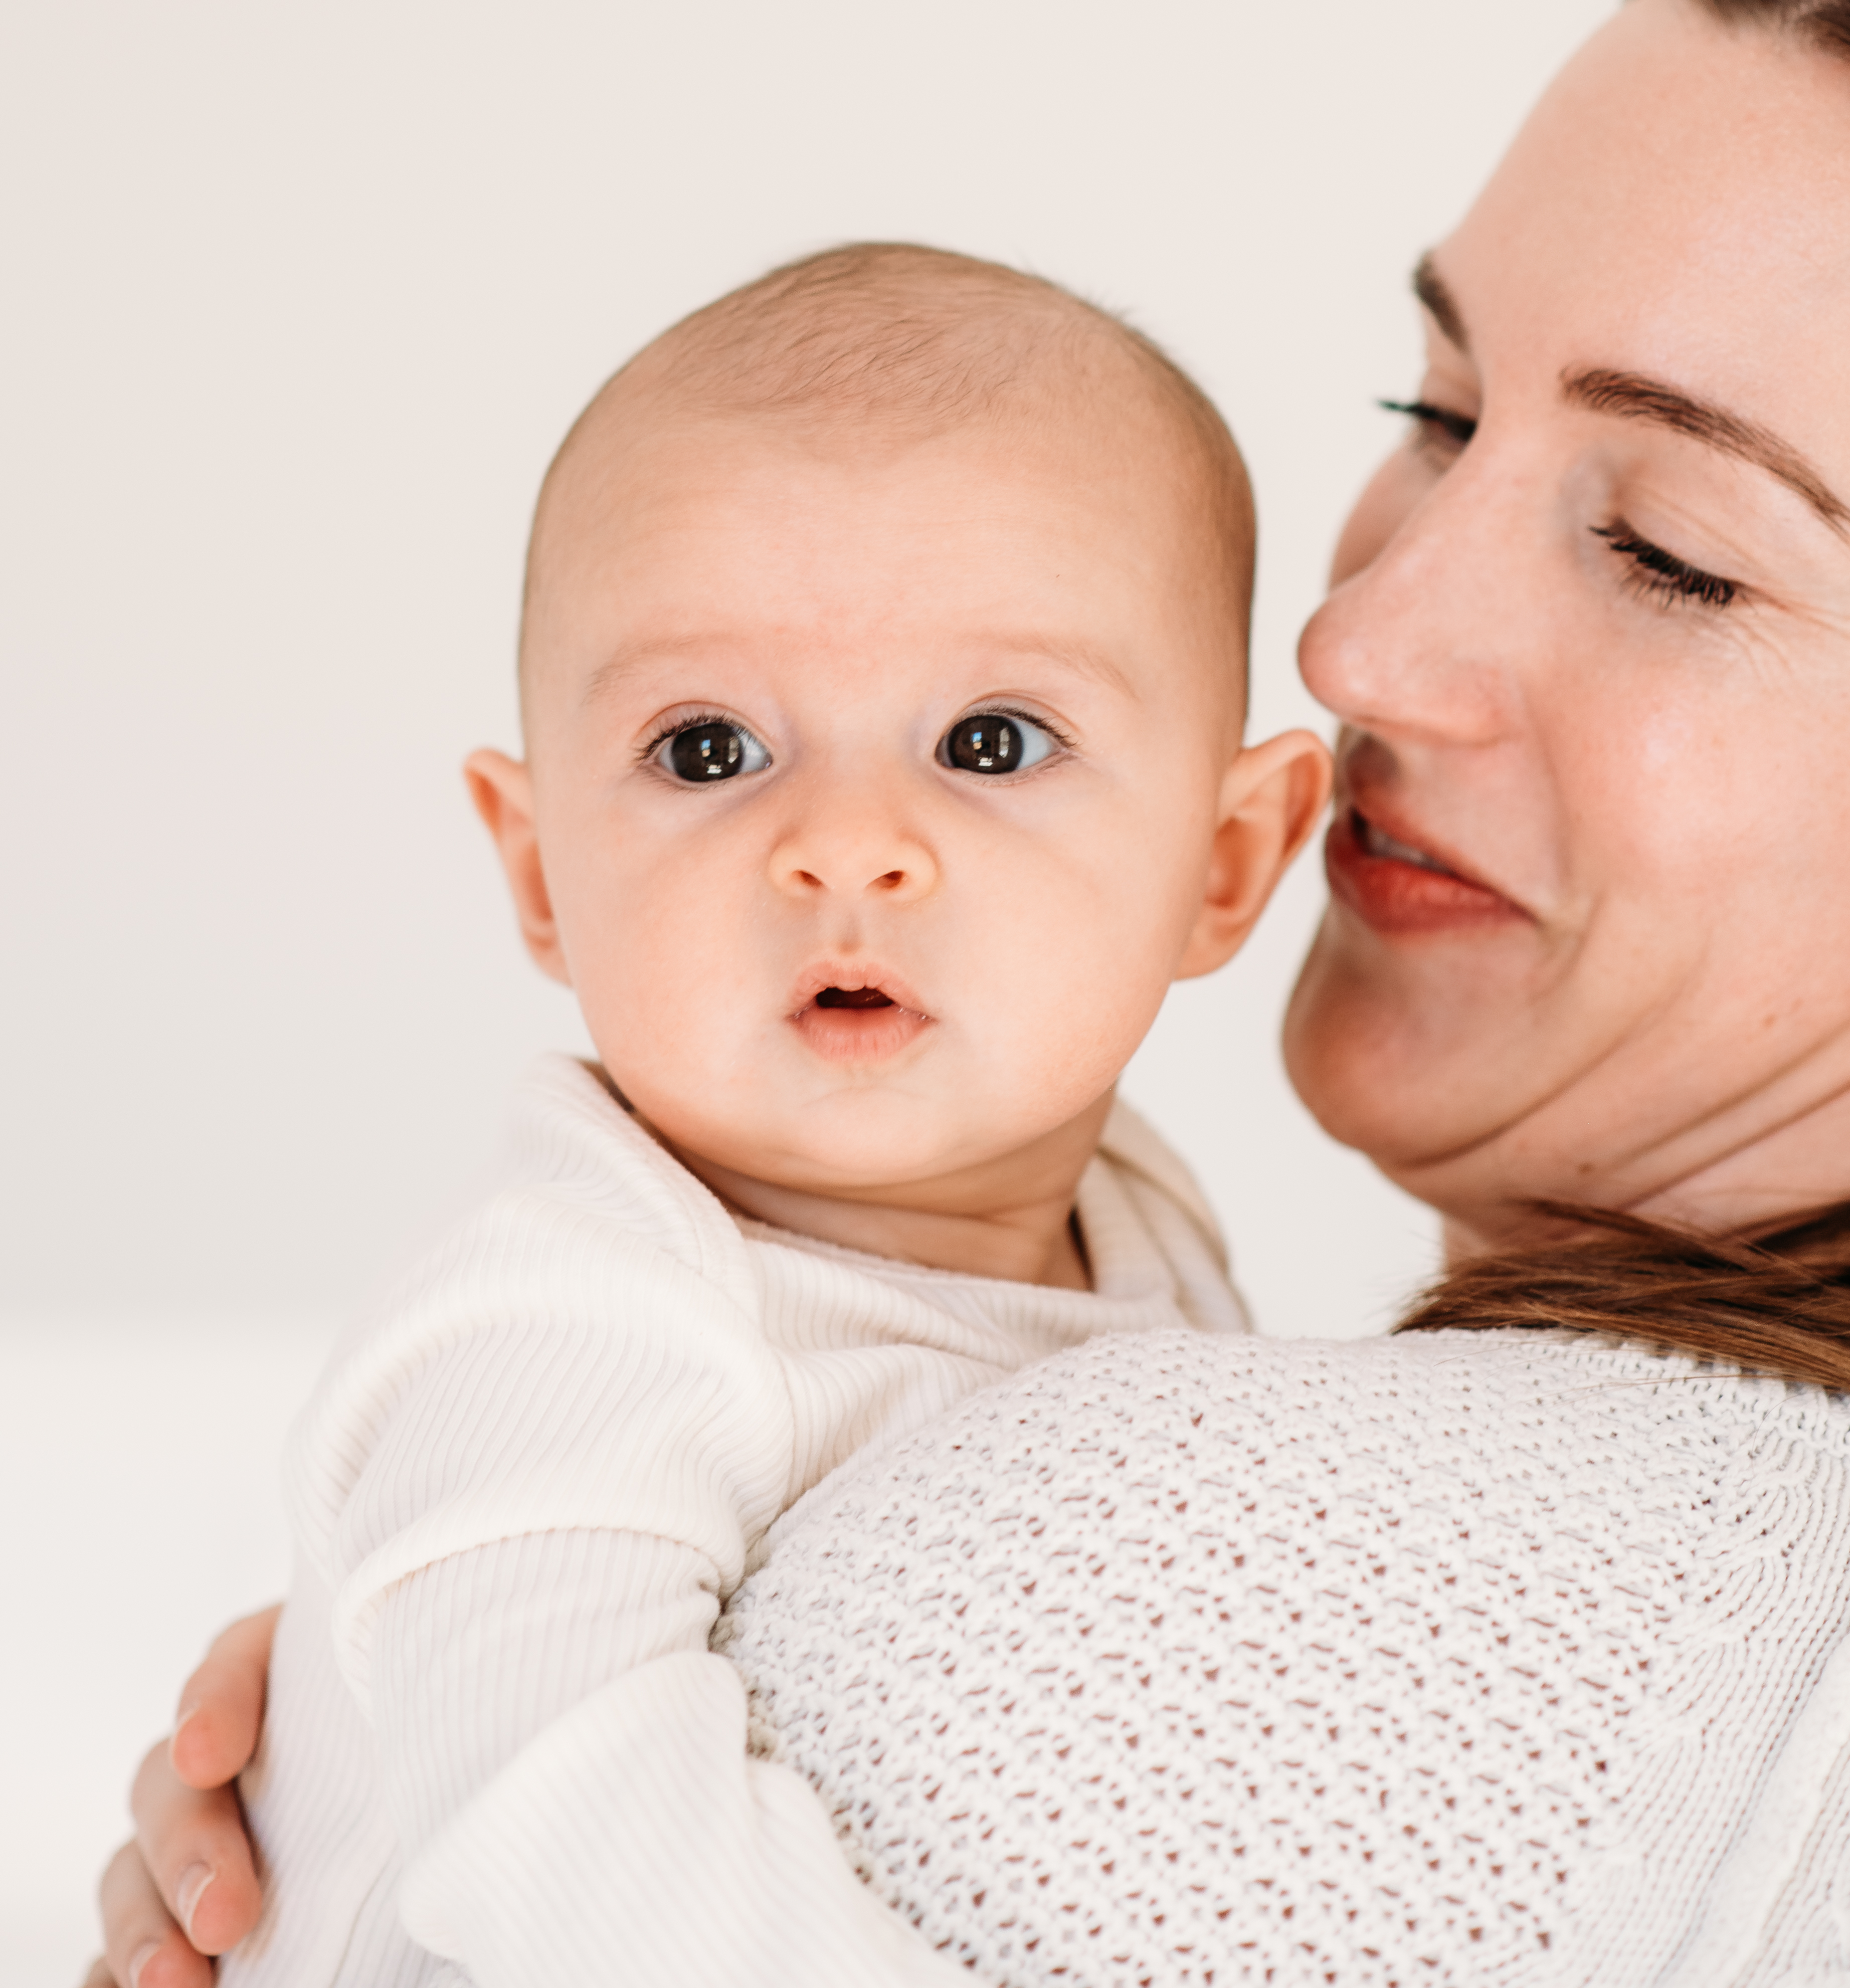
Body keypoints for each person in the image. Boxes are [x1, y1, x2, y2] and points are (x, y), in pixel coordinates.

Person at [93, 0, 1850, 1985]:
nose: (1351, 633)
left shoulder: (1373, 1583)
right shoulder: (652, 1325)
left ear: (1230, 856)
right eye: (1436, 414)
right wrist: (444, 1673)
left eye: (1676, 549)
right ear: (533, 865)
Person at [110, 240, 1330, 1988]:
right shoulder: (567, 1321)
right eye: (707, 751)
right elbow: (576, 1857)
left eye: (989, 742)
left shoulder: (1138, 1213)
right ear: (540, 874)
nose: (842, 842)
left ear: (1225, 863)